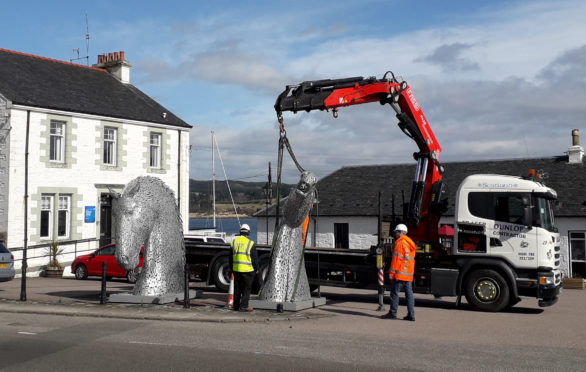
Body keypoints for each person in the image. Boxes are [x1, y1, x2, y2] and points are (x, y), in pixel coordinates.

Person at [381, 223, 416, 321]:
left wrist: (391, 274)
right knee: (409, 295)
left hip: (399, 274)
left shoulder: (400, 243)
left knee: (394, 294)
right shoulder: (410, 244)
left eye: (396, 232)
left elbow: (396, 261)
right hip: (408, 275)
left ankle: (393, 313)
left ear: (401, 232)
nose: (395, 234)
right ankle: (411, 315)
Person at [229, 224, 259, 312]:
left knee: (237, 288)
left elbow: (230, 257)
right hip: (247, 270)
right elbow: (254, 259)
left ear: (240, 232)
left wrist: (232, 268)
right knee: (247, 288)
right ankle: (244, 306)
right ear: (248, 233)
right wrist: (256, 269)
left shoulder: (233, 242)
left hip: (237, 269)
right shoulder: (250, 243)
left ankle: (236, 306)